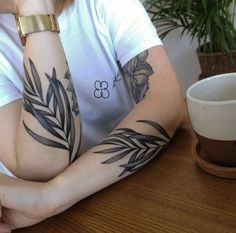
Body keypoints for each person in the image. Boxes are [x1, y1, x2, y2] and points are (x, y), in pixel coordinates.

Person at [0, 0, 186, 231]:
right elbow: (44, 166)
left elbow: (166, 103)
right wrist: (33, 7)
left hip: (142, 186)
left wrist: (53, 196)